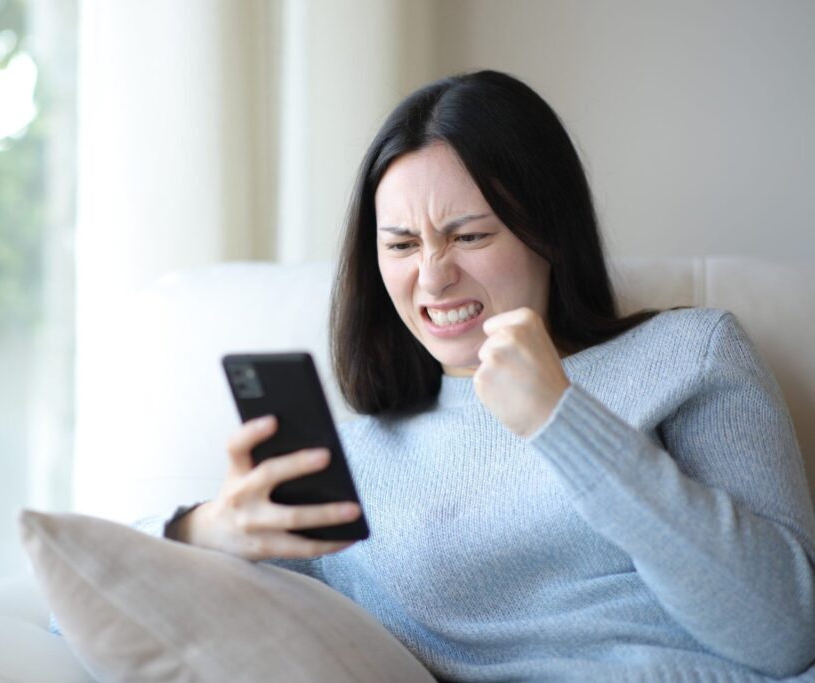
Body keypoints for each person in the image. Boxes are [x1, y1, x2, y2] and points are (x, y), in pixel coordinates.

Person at [160, 71, 815, 680]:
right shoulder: (354, 464)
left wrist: (563, 419)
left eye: (469, 236)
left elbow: (784, 631)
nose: (434, 274)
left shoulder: (688, 352)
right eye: (402, 244)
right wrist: (203, 528)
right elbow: (87, 586)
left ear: (548, 233)